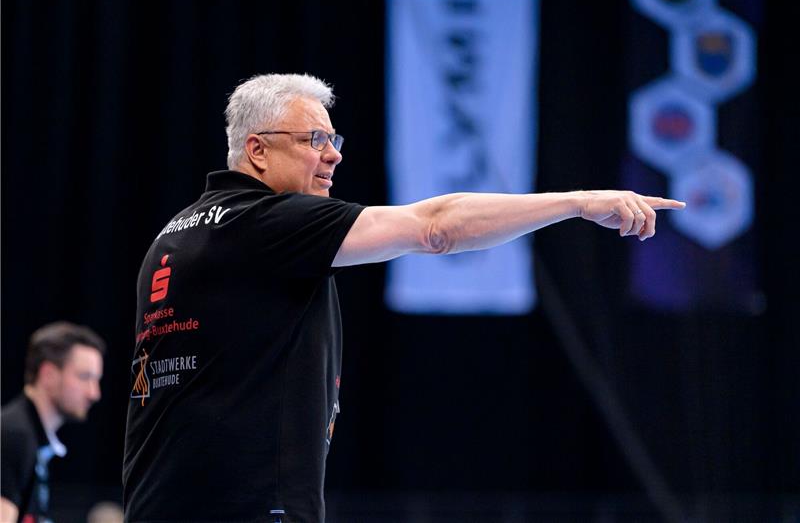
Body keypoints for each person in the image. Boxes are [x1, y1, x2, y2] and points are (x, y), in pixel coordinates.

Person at [122, 73, 685, 523]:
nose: (334, 155)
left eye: (334, 139)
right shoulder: (264, 223)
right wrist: (581, 202)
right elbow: (436, 227)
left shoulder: (176, 234)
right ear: (258, 151)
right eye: (315, 140)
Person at [1, 321, 105, 523]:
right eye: (85, 377)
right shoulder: (13, 437)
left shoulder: (29, 438)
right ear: (48, 374)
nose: (94, 394)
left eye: (97, 380)